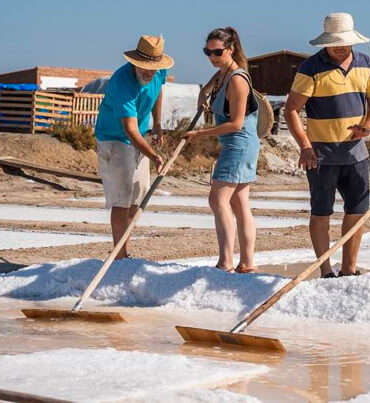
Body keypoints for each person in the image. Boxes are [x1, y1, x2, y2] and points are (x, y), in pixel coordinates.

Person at [284, 13, 370, 279]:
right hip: (321, 157)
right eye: (334, 42)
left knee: (357, 212)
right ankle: (325, 270)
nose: (339, 47)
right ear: (325, 42)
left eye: (344, 41)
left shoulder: (366, 63)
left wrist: (369, 125)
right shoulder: (310, 67)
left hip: (357, 156)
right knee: (321, 212)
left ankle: (349, 269)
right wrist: (305, 147)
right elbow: (292, 109)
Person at [183, 27, 260, 273]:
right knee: (238, 202)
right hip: (234, 143)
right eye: (208, 52)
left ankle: (226, 262)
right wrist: (204, 95)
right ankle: (246, 263)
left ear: (231, 49)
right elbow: (214, 82)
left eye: (217, 52)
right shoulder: (224, 72)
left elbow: (236, 123)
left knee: (217, 199)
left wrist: (199, 134)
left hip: (239, 143)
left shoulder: (237, 79)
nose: (212, 57)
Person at [94, 35, 171, 259]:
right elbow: (130, 129)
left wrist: (157, 123)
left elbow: (158, 92)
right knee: (122, 199)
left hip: (140, 138)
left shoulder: (159, 72)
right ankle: (120, 256)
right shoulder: (122, 82)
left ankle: (124, 251)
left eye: (153, 69)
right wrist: (154, 155)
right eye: (145, 68)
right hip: (114, 139)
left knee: (138, 197)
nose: (149, 73)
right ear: (135, 62)